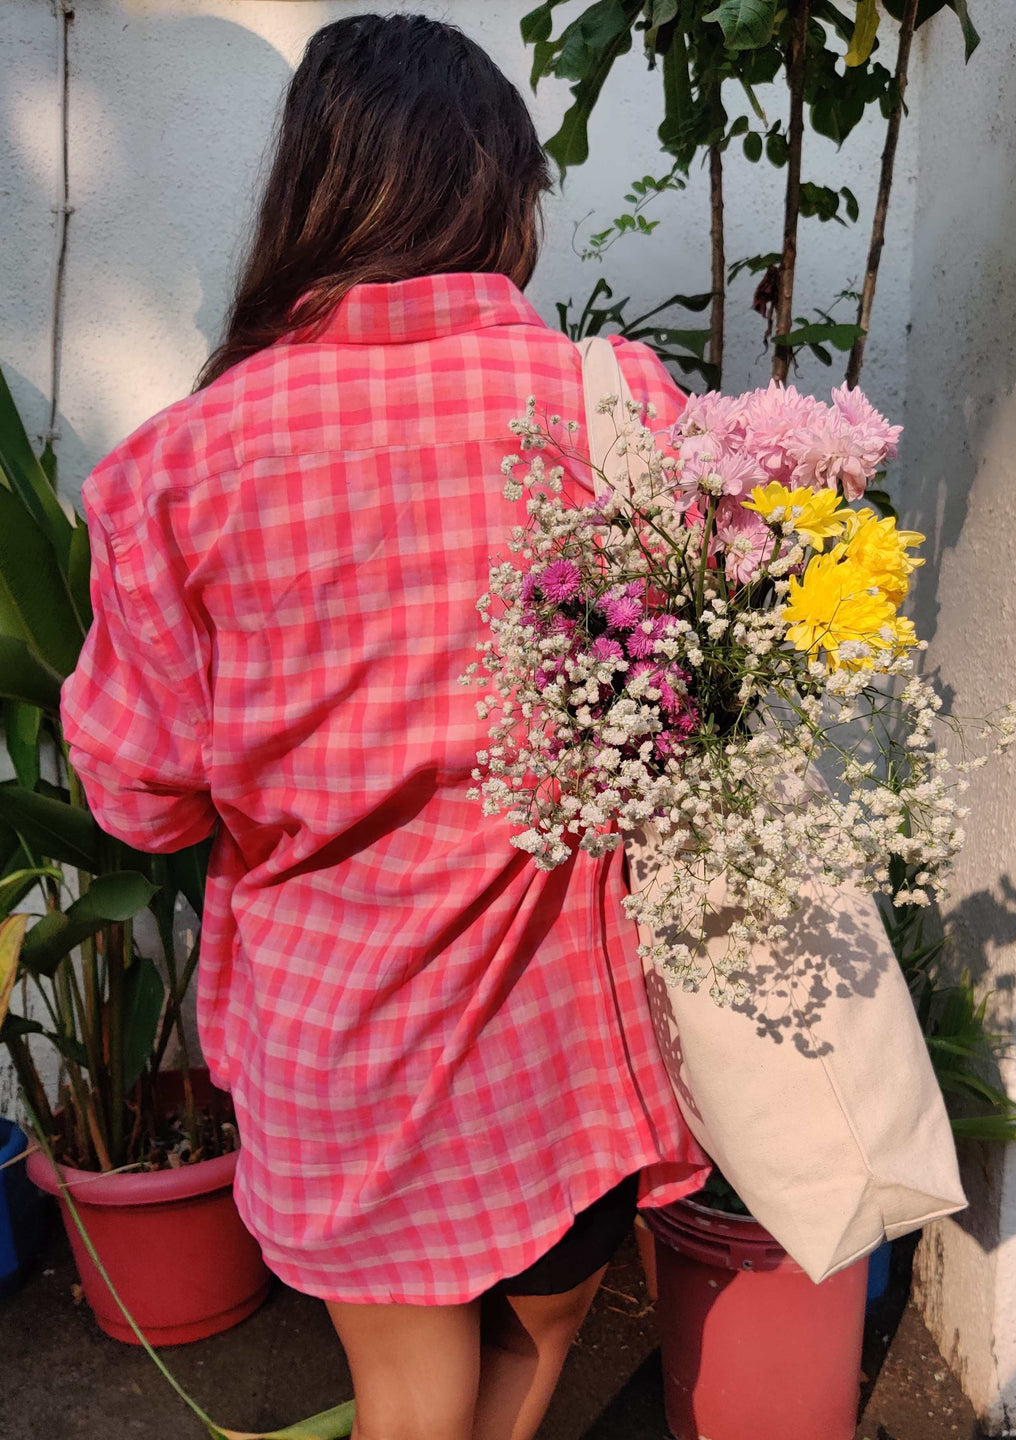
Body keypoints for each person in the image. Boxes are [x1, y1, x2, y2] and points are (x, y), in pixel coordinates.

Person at [60, 14, 709, 1440]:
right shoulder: (618, 414)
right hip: (567, 1038)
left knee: (410, 1400)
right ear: (498, 199)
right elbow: (696, 711)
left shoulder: (179, 468)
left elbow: (140, 803)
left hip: (342, 1039)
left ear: (314, 195)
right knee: (535, 1345)